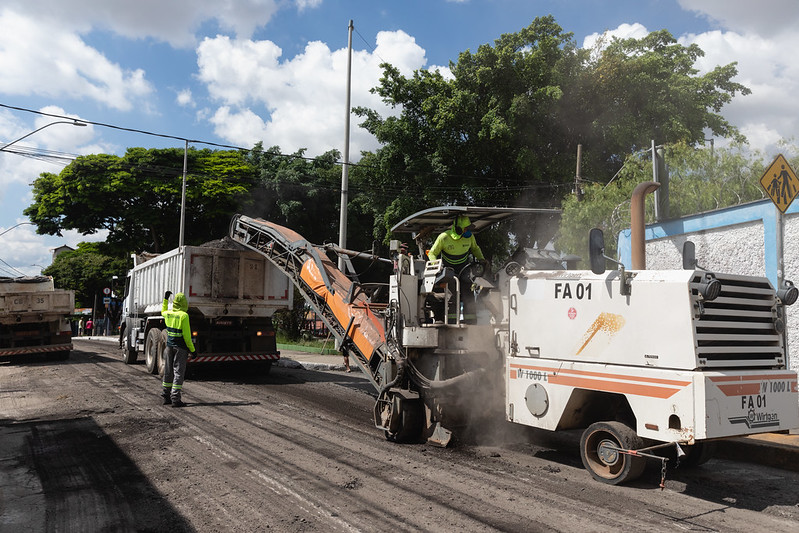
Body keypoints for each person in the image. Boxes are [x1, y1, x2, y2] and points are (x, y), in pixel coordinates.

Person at [427, 215, 486, 323]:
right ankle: (451, 321)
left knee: (468, 294)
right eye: (466, 228)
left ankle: (471, 322)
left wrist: (481, 259)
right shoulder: (444, 237)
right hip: (449, 270)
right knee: (452, 296)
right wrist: (436, 265)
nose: (468, 231)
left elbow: (475, 249)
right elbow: (432, 253)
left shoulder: (470, 237)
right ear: (458, 229)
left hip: (464, 268)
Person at [161, 291, 196, 407]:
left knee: (168, 370)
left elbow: (163, 311)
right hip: (180, 348)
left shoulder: (169, 314)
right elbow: (187, 336)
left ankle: (166, 395)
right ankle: (175, 398)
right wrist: (193, 350)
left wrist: (165, 299)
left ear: (175, 303)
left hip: (169, 346)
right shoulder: (184, 316)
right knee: (178, 372)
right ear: (184, 303)